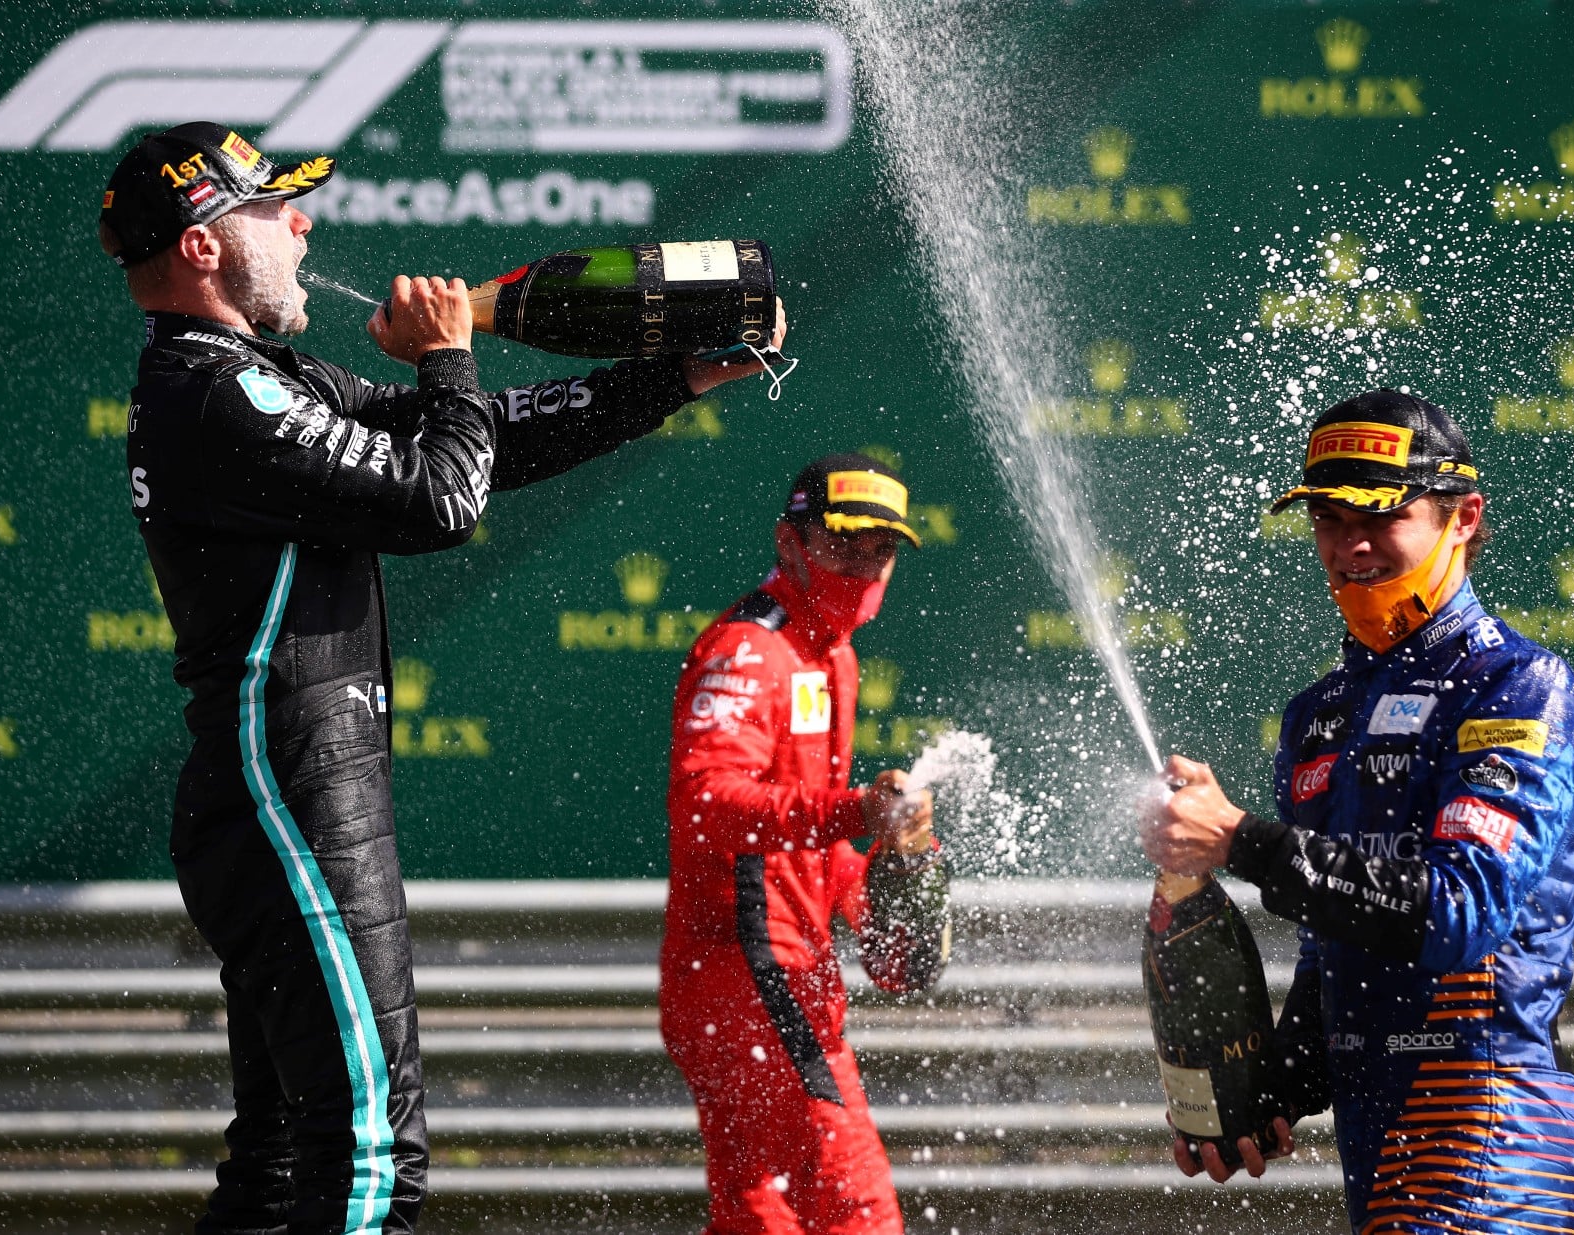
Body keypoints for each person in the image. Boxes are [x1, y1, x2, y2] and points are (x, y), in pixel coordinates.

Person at [102, 121, 781, 1234]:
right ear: (204, 243)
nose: (304, 223)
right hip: (290, 796)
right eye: (277, 207)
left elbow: (476, 445)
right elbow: (441, 499)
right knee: (368, 1152)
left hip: (283, 793)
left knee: (280, 1164)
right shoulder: (216, 392)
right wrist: (446, 356)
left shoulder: (249, 375)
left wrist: (671, 378)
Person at [1141, 390, 1574, 1234]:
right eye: (1327, 516)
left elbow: (1459, 911)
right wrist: (1267, 1087)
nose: (1350, 543)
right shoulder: (1318, 714)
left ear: (1463, 518)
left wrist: (1242, 839)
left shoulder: (1519, 687)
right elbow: (1334, 959)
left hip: (1489, 1129)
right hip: (1382, 1146)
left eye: (1382, 516)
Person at [662, 453, 952, 1235]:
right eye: (843, 543)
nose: (864, 566)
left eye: (881, 550)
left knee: (764, 1217)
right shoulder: (750, 649)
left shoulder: (832, 653)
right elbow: (707, 803)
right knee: (857, 1212)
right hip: (748, 981)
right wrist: (857, 811)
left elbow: (805, 846)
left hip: (762, 980)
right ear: (789, 543)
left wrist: (877, 896)